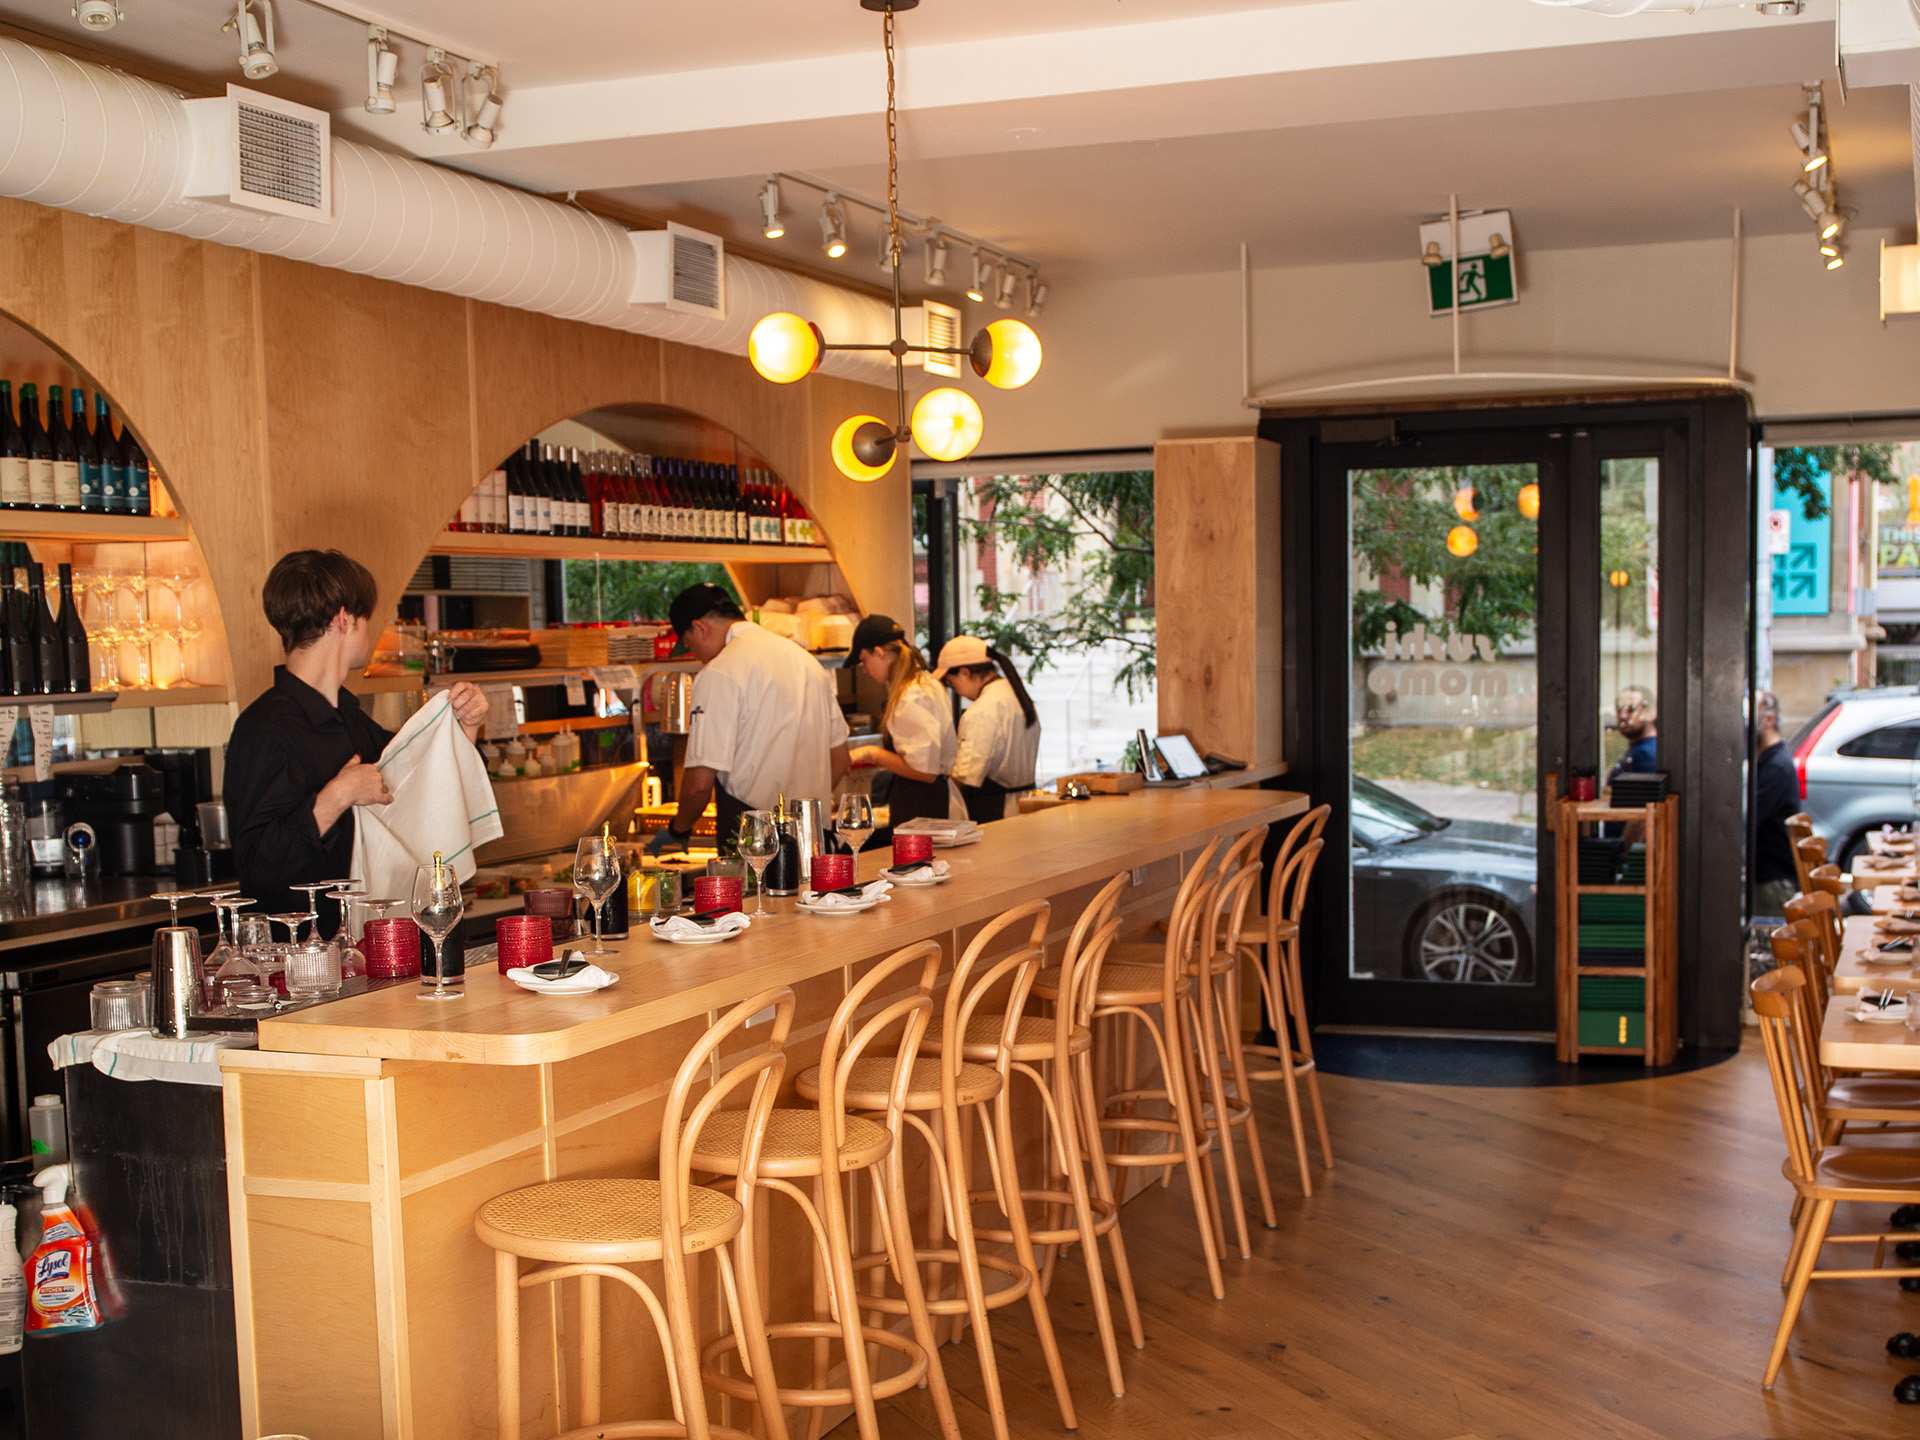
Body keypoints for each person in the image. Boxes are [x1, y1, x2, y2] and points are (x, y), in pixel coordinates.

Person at [225, 550, 488, 922]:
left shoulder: (348, 717)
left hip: (370, 950)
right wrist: (338, 795)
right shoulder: (262, 728)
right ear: (344, 620)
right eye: (367, 618)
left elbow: (421, 781)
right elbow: (256, 868)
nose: (370, 631)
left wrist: (466, 723)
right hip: (299, 962)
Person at [651, 582, 849, 853]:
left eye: (689, 645)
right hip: (814, 841)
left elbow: (698, 786)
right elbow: (840, 760)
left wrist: (679, 829)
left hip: (755, 846)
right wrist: (799, 812)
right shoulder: (806, 662)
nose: (695, 655)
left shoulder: (719, 673)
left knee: (755, 898)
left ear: (699, 628)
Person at [847, 615, 964, 829]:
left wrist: (872, 754)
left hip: (922, 807)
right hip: (928, 800)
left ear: (879, 652)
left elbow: (925, 772)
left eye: (864, 660)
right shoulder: (924, 682)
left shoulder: (911, 696)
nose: (864, 669)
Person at [933, 634, 1041, 823]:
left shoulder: (982, 711)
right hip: (1027, 806)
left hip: (997, 812)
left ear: (965, 672)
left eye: (951, 683)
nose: (955, 690)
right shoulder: (1016, 695)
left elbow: (966, 777)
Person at [1751, 689, 1800, 918]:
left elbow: (1750, 818)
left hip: (1774, 882)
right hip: (1767, 878)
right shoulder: (1767, 761)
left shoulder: (1776, 767)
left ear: (1768, 720)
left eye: (1750, 714)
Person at [1606, 685, 1659, 788]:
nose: (1622, 716)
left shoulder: (1646, 754)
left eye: (1631, 709)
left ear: (1651, 712)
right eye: (1619, 709)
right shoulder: (1639, 749)